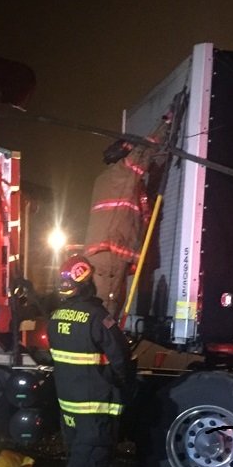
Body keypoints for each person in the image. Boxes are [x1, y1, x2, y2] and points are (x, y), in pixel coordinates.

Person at [47, 255, 134, 467]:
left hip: (68, 403)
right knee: (93, 453)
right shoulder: (97, 317)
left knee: (79, 453)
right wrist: (126, 386)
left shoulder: (55, 317)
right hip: (94, 403)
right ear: (87, 283)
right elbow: (120, 357)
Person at [83, 114, 172, 317]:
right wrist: (166, 123)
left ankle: (102, 334)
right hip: (111, 253)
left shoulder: (104, 179)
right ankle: (106, 336)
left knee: (101, 305)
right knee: (108, 308)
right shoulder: (124, 172)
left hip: (101, 255)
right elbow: (145, 149)